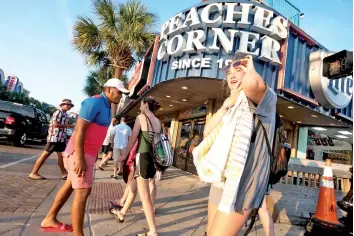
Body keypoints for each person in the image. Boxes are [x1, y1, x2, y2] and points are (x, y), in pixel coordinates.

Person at [39, 78, 129, 235]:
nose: (121, 95)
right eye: (119, 91)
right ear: (108, 89)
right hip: (79, 153)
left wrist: (92, 156)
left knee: (69, 186)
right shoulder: (94, 102)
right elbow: (80, 130)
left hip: (86, 154)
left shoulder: (107, 106)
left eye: (122, 93)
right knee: (82, 193)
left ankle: (50, 218)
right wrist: (80, 158)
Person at [203, 56, 277, 236]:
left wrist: (250, 67)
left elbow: (252, 84)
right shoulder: (232, 105)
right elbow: (207, 132)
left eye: (238, 70)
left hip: (243, 184)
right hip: (221, 180)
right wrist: (228, 103)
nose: (232, 76)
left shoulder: (267, 99)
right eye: (229, 73)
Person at [110, 97, 160, 236]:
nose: (140, 106)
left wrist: (124, 157)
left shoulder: (141, 117)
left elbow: (132, 140)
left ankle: (153, 231)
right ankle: (122, 212)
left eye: (141, 103)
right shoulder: (158, 121)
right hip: (150, 158)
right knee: (132, 187)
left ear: (145, 105)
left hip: (142, 157)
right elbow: (155, 144)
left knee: (144, 197)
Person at [29, 99, 74, 180]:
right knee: (45, 155)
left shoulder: (64, 114)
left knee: (61, 156)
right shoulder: (58, 112)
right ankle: (34, 172)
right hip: (54, 138)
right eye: (67, 105)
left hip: (60, 139)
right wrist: (68, 126)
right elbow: (55, 124)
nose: (69, 106)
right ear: (62, 105)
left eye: (70, 105)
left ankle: (64, 173)